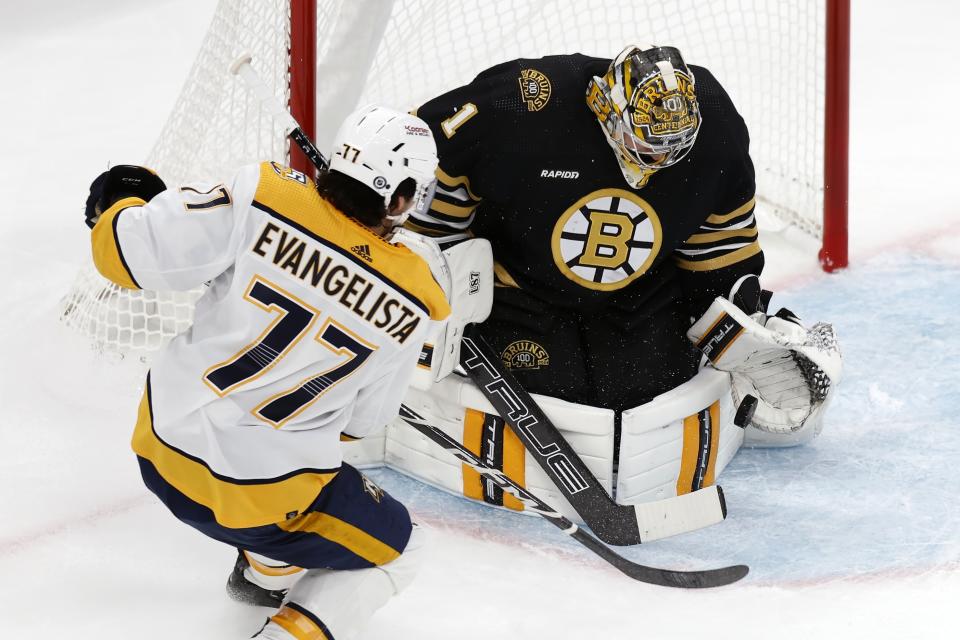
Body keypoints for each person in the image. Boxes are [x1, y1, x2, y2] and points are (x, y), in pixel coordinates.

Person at [396, 45, 841, 509]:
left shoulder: (715, 126)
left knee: (639, 393)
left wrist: (742, 320)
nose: (656, 163)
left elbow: (722, 243)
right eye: (646, 146)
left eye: (671, 150)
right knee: (558, 394)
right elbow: (417, 145)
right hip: (517, 288)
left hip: (637, 293)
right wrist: (423, 261)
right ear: (608, 108)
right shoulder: (523, 102)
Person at [84, 105, 449, 639]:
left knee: (285, 486)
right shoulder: (419, 296)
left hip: (160, 451)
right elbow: (359, 424)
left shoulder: (266, 193)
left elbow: (124, 253)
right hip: (263, 499)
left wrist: (124, 202)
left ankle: (264, 574)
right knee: (404, 548)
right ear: (397, 198)